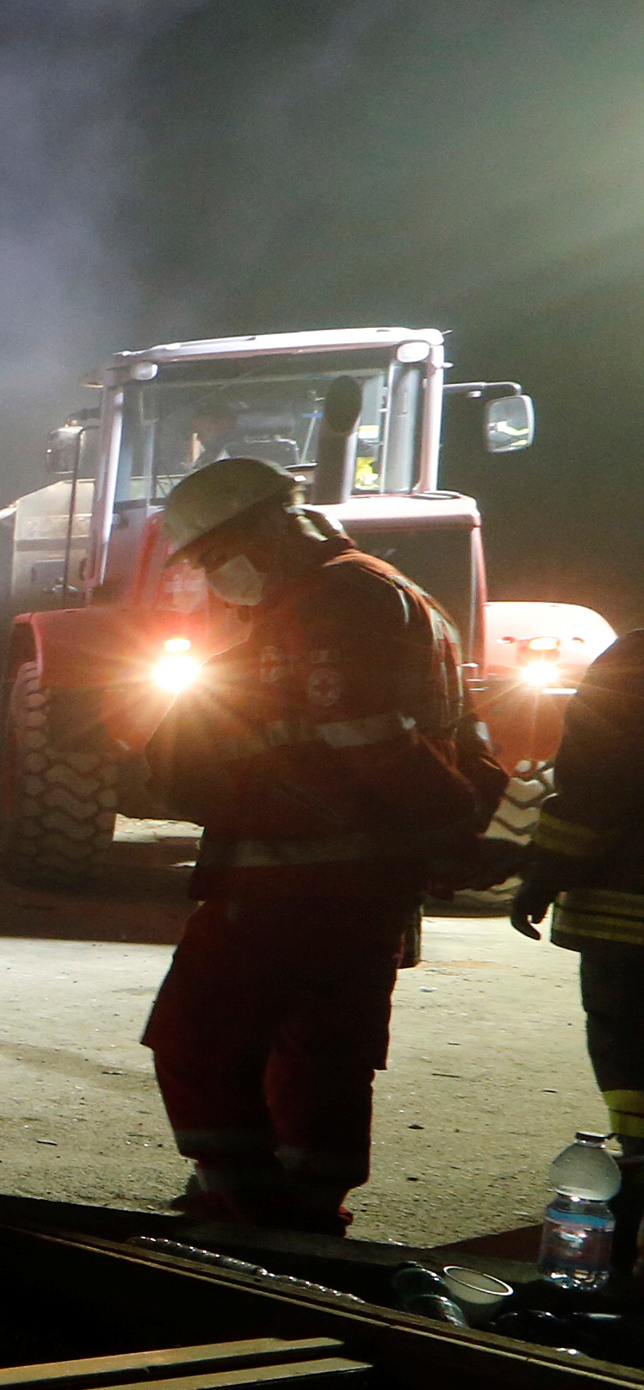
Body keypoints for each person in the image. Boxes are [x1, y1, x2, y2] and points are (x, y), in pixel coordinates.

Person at [140, 456, 502, 1234]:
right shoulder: (383, 593)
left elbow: (368, 741)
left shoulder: (335, 600)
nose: (213, 577)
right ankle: (307, 1205)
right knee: (319, 1048)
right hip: (356, 879)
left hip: (298, 877)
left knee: (196, 1033)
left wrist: (446, 830)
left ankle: (244, 1204)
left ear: (273, 525)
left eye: (215, 555)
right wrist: (448, 833)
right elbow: (460, 743)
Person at [511, 629, 641, 1162]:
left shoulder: (633, 664)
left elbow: (596, 789)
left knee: (628, 1032)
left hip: (628, 911)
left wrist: (544, 875)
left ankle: (638, 1152)